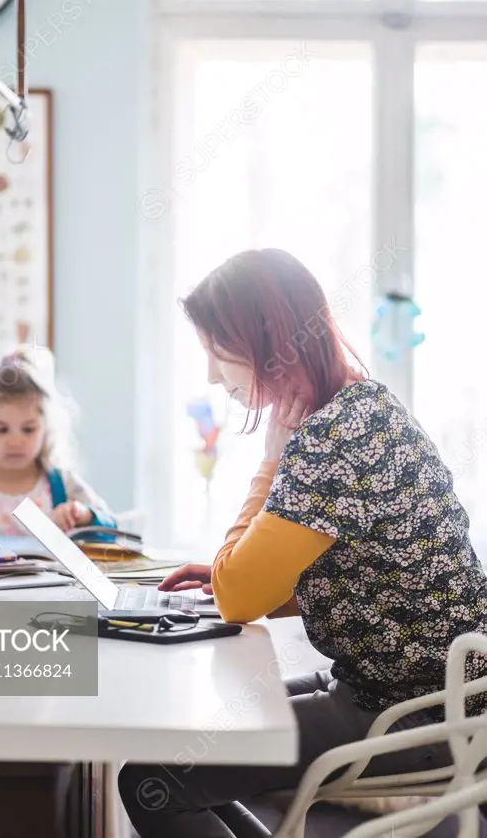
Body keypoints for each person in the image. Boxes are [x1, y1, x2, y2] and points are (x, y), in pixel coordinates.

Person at [119, 248, 487, 838]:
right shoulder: (363, 408)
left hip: (411, 712)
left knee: (152, 778)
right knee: (188, 730)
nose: (213, 375)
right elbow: (306, 586)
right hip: (431, 692)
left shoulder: (330, 439)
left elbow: (242, 601)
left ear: (267, 340)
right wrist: (236, 574)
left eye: (218, 351)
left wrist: (267, 466)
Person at [0, 345, 116, 535]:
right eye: (1, 430)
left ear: (46, 428)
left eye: (29, 429)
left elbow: (111, 526)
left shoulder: (63, 483)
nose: (15, 441)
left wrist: (84, 515)